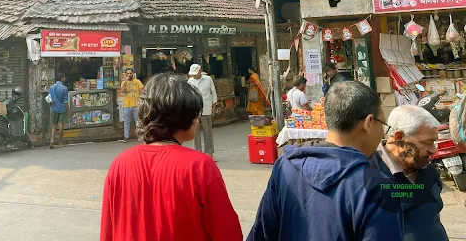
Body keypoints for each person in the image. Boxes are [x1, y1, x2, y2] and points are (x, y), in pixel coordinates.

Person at [248, 81, 404, 241]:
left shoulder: (286, 166)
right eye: (383, 125)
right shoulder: (375, 187)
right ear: (368, 123)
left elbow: (261, 232)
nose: (383, 133)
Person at [100, 73, 242, 241]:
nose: (197, 119)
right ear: (183, 116)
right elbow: (227, 232)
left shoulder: (120, 163)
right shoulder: (199, 166)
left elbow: (108, 231)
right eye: (195, 113)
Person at [369, 105, 447, 241]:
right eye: (427, 142)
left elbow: (432, 217)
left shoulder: (429, 171)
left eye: (434, 142)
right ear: (399, 137)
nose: (434, 150)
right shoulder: (367, 174)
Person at [187, 63, 218, 159]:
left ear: (200, 71)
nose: (194, 75)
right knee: (195, 133)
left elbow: (213, 93)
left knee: (208, 132)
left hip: (206, 108)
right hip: (195, 110)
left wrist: (214, 106)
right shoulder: (190, 82)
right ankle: (198, 153)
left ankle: (209, 153)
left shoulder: (208, 79)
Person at [119, 68, 144, 143]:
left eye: (130, 73)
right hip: (127, 105)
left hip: (136, 105)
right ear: (125, 74)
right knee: (126, 121)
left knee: (138, 121)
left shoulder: (137, 81)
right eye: (128, 74)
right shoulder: (124, 82)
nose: (129, 75)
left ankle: (140, 136)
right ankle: (126, 136)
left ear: (133, 74)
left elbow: (142, 91)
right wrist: (126, 82)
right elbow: (122, 91)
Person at [49, 74, 69, 149]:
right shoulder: (64, 88)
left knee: (54, 125)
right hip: (62, 109)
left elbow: (49, 99)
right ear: (62, 78)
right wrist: (68, 110)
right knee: (61, 126)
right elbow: (66, 102)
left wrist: (51, 106)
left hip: (54, 108)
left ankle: (52, 140)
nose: (65, 78)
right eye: (64, 77)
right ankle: (60, 142)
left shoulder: (51, 87)